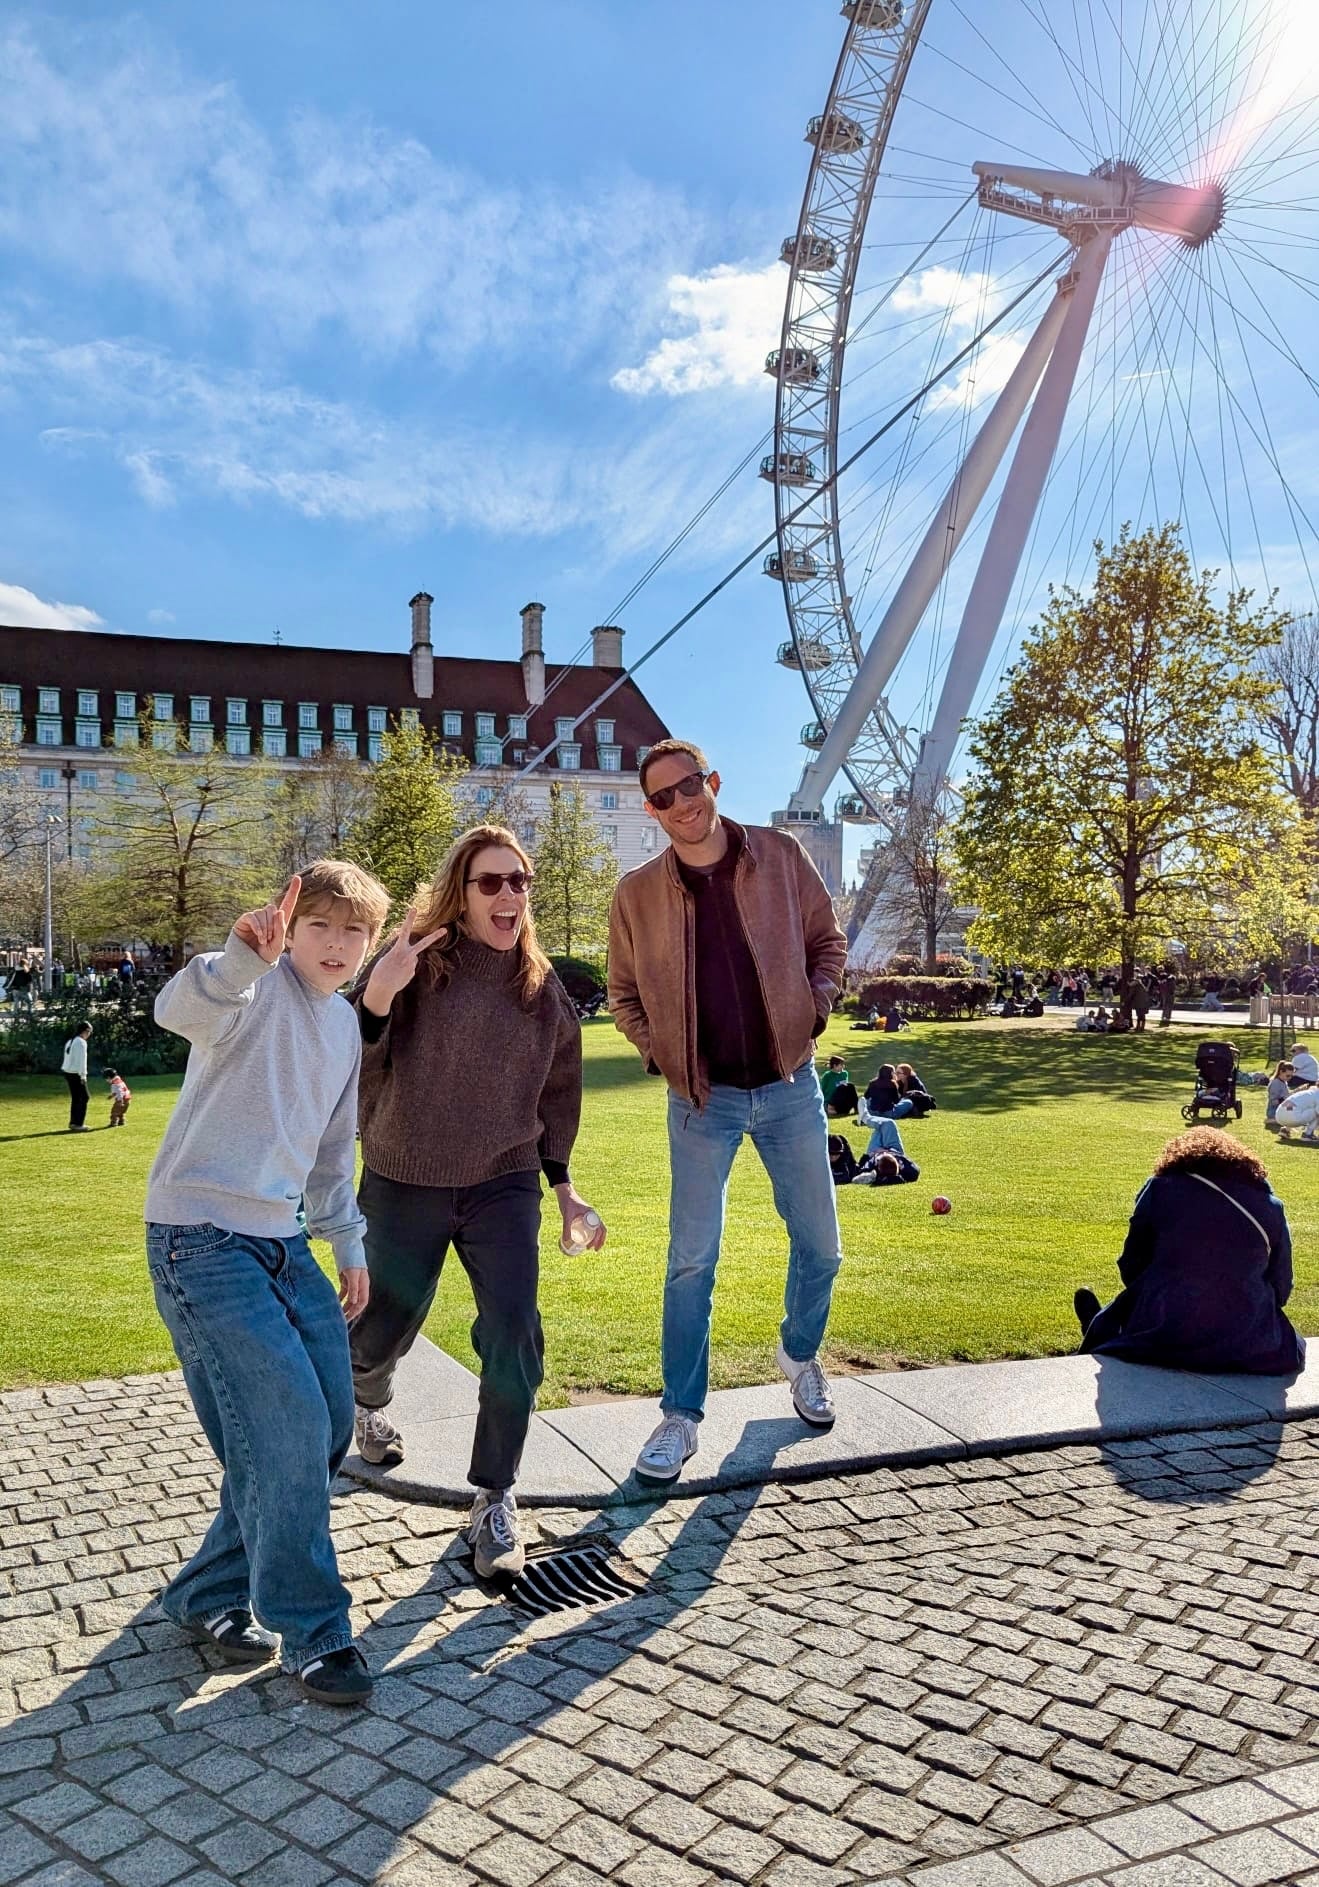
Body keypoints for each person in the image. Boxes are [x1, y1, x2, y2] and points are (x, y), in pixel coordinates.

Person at [145, 861, 390, 1707]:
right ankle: (313, 1630)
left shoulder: (343, 1025)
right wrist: (243, 958)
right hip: (199, 1239)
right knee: (283, 1428)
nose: (336, 944)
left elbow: (330, 1152)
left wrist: (347, 1241)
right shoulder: (249, 989)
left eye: (354, 930)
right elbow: (179, 1010)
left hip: (284, 1242)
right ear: (294, 928)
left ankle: (209, 1589)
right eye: (319, 925)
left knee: (326, 1425)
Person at [348, 825, 602, 1578]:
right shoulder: (416, 965)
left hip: (502, 1182)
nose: (509, 894)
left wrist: (565, 1191)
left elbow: (558, 1093)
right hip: (404, 1177)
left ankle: (494, 1496)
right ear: (460, 893)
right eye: (491, 881)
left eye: (519, 880)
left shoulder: (540, 988)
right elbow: (353, 1049)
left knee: (515, 1333)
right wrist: (380, 989)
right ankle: (367, 1400)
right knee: (380, 1327)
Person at [608, 737, 847, 1484]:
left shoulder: (778, 855)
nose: (681, 804)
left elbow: (827, 944)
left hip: (788, 1087)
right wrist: (661, 1054)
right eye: (663, 798)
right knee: (691, 1261)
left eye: (689, 787)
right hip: (700, 1102)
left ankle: (799, 1355)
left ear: (711, 782)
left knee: (822, 1246)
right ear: (651, 811)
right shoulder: (637, 893)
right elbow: (623, 995)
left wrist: (812, 1010)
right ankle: (680, 1416)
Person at [1073, 1129, 1304, 1374]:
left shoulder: (1159, 1190)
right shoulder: (1271, 1207)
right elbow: (1281, 1284)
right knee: (1292, 1342)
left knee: (1126, 1318)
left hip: (1168, 1326)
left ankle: (1104, 1328)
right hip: (1248, 1341)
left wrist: (1155, 1295)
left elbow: (1132, 1263)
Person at [61, 1023, 91, 1132]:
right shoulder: (81, 1042)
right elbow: (81, 1060)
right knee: (84, 1097)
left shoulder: (71, 1041)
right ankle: (78, 1123)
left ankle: (74, 1122)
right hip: (75, 1073)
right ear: (85, 1031)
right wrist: (83, 1076)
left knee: (76, 1098)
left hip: (68, 1072)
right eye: (89, 1032)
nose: (89, 1034)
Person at [1266, 1061, 1294, 1127]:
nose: (1289, 1078)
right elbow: (1273, 1102)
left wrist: (1298, 1091)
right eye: (1288, 1075)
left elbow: (1286, 1096)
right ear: (1281, 1072)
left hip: (1283, 1109)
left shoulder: (1283, 1081)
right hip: (1274, 1111)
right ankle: (1274, 1120)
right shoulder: (1275, 1083)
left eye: (1291, 1076)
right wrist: (1285, 1098)